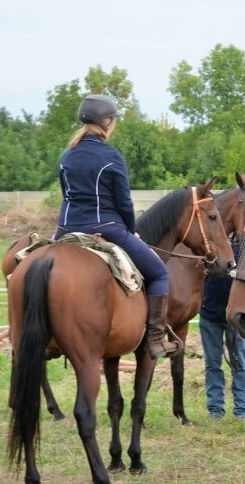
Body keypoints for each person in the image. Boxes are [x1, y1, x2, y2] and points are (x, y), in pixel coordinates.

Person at [54, 94, 181, 359]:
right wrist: (131, 228)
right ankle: (155, 340)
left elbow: (67, 194)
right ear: (108, 122)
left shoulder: (68, 154)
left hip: (65, 228)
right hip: (106, 227)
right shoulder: (110, 155)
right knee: (158, 272)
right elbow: (124, 201)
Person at [198, 236, 245, 419]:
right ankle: (215, 410)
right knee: (212, 364)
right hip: (209, 315)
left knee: (240, 364)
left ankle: (243, 410)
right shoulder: (209, 245)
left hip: (235, 317)